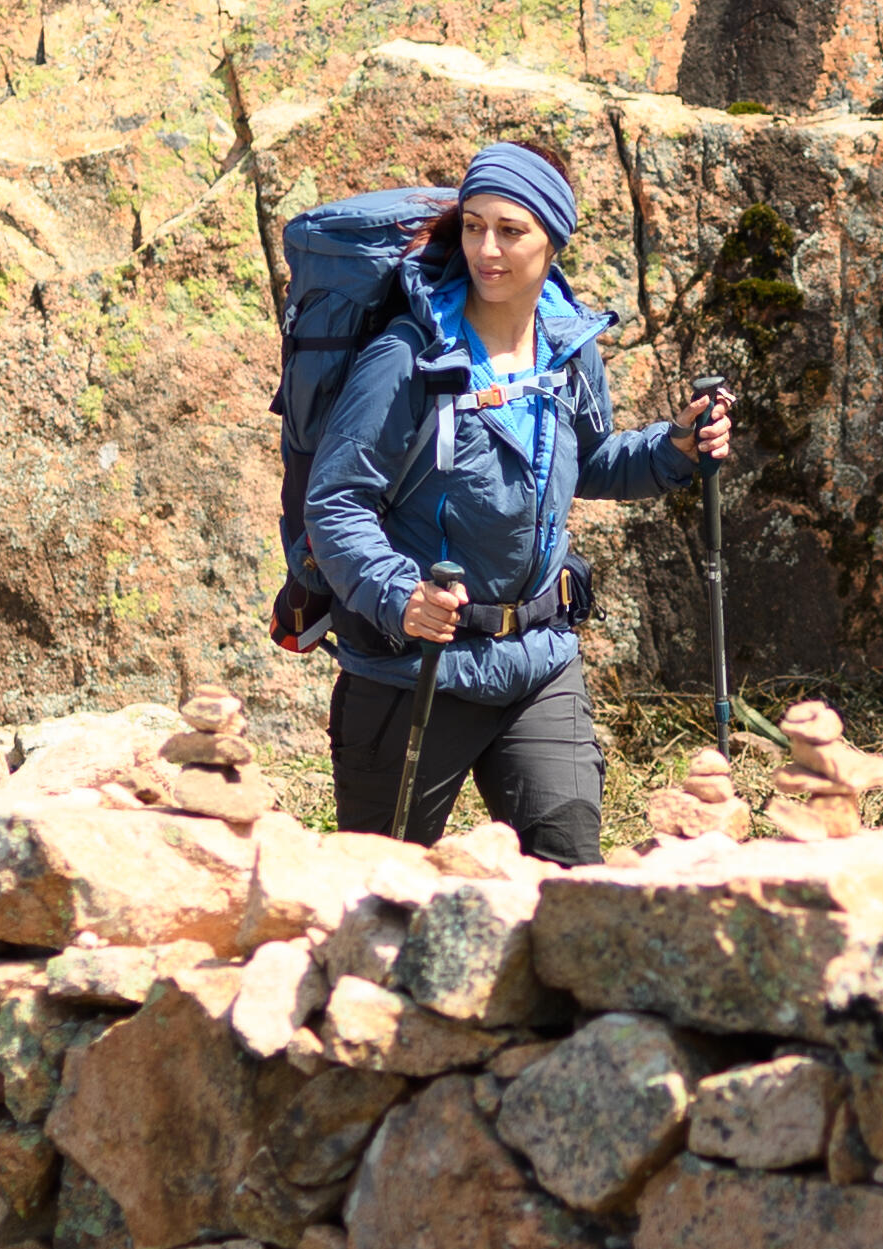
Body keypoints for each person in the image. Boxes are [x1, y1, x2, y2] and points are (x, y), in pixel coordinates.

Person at [304, 140, 734, 860]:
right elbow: (338, 501)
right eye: (474, 226)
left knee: (571, 879)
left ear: (553, 239)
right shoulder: (410, 357)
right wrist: (399, 593)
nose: (487, 249)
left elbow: (587, 463)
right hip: (417, 671)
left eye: (511, 230)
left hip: (538, 663)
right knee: (385, 897)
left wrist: (671, 451)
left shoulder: (568, 352)